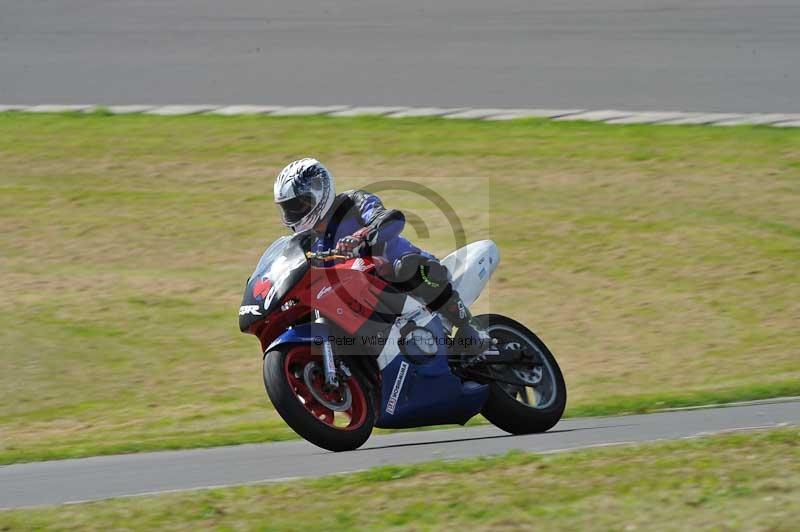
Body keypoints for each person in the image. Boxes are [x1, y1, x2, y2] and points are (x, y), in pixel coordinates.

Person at [273, 157, 492, 357]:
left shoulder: (353, 202)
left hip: (402, 275)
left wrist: (362, 236)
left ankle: (468, 327)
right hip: (362, 298)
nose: (294, 212)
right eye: (289, 208)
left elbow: (390, 218)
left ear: (319, 192)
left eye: (299, 204)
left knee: (407, 267)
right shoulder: (306, 242)